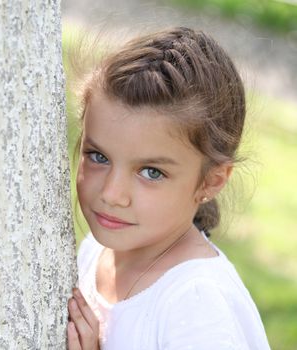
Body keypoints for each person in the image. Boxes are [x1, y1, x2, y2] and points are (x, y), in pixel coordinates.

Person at [66, 27, 271, 349]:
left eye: (151, 172)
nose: (110, 194)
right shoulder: (96, 249)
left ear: (210, 181)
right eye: (98, 156)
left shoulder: (197, 305)